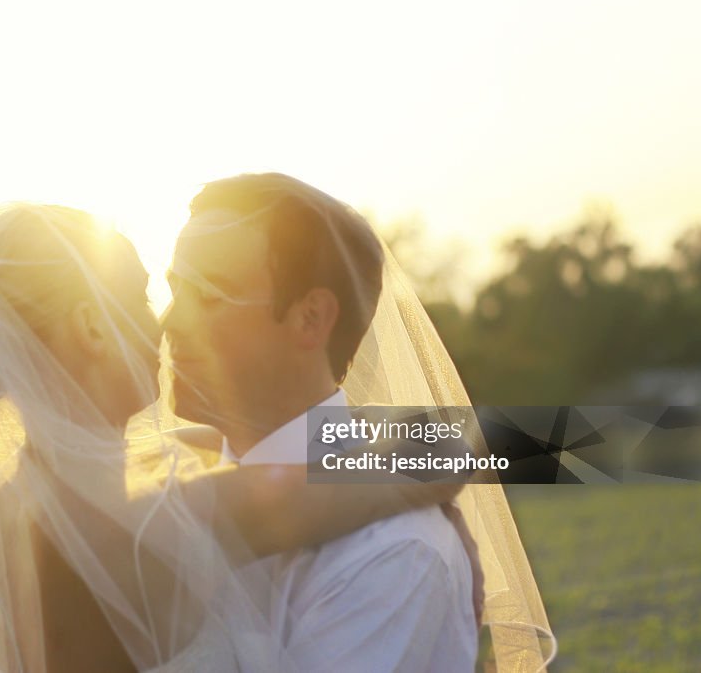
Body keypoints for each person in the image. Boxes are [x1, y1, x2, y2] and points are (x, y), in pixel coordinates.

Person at [0, 203, 473, 672]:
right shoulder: (147, 527)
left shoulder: (9, 516)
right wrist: (445, 503)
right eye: (145, 295)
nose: (170, 325)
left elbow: (212, 451)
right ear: (92, 326)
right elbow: (456, 449)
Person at [161, 173, 557, 671]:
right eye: (174, 290)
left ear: (311, 319)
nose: (169, 323)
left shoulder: (395, 552)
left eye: (207, 295)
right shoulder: (159, 483)